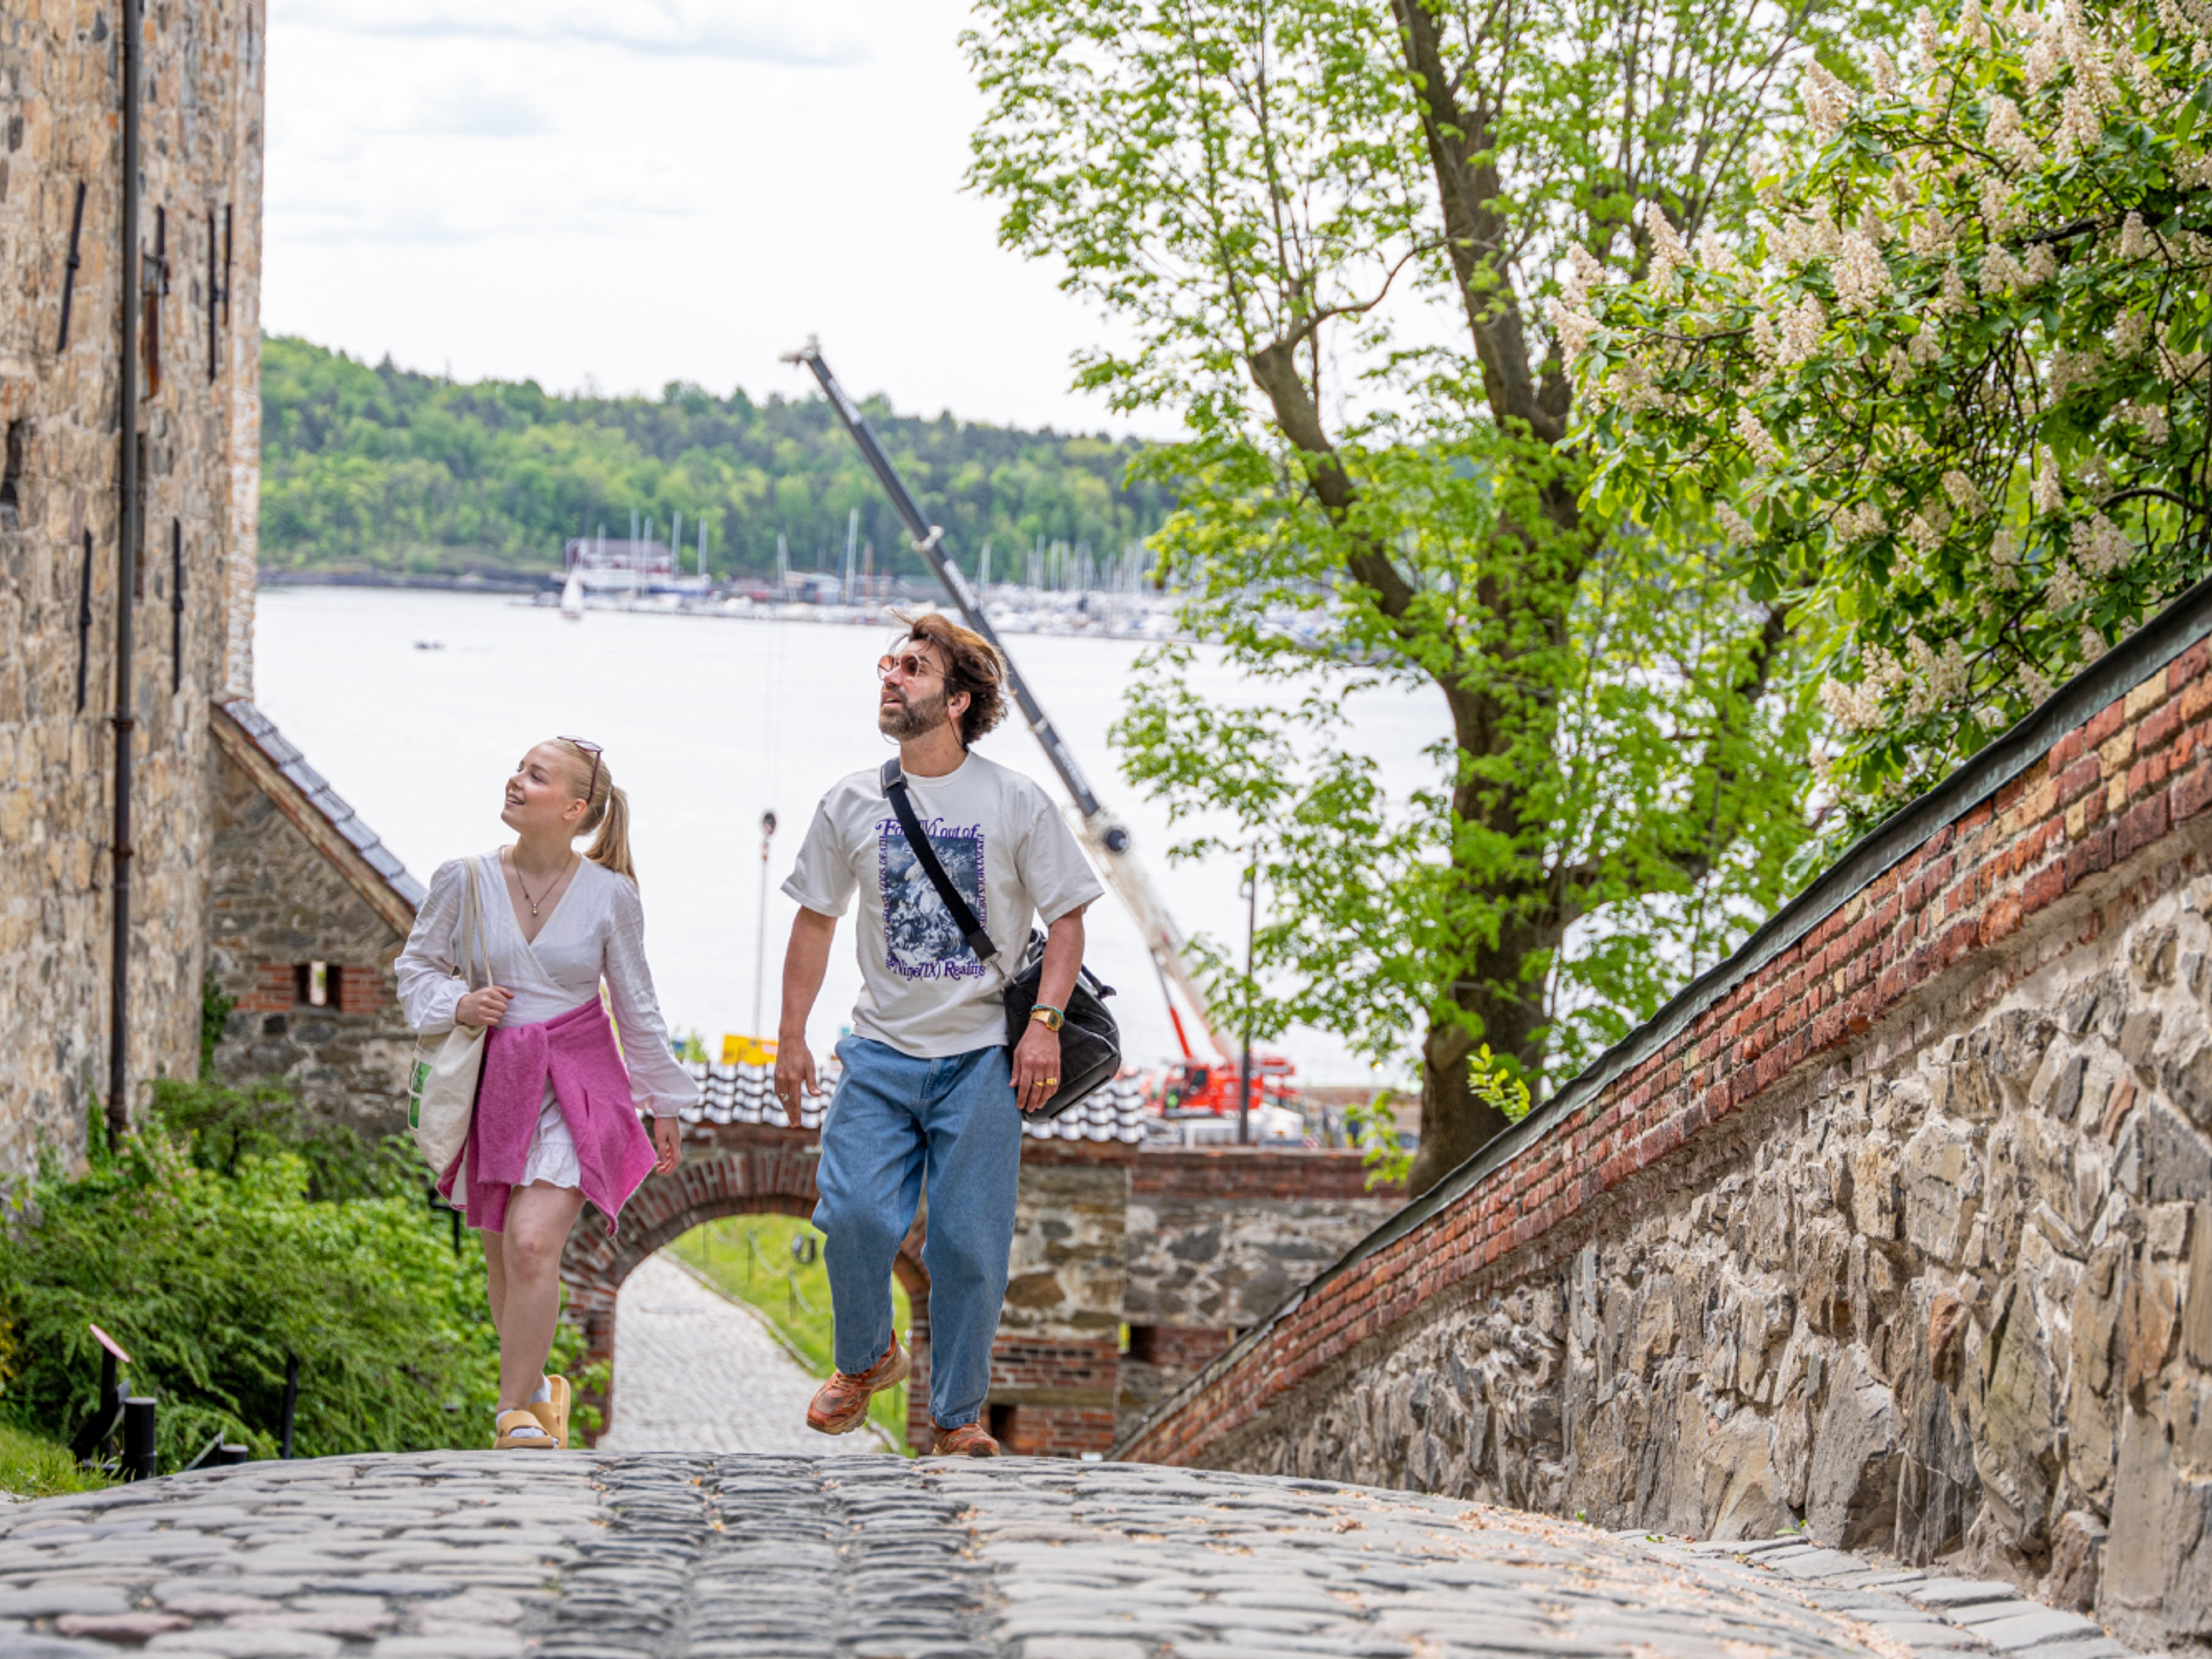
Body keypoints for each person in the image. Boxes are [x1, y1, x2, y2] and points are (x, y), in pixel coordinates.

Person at [775, 613, 1102, 1456]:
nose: (891, 678)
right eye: (888, 665)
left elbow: (1066, 920)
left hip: (983, 1063)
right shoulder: (849, 801)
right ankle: (867, 1359)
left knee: (968, 1248)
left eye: (913, 669)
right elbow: (814, 923)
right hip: (879, 1054)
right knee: (851, 1216)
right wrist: (791, 1036)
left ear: (957, 700)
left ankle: (956, 1421)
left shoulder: (1014, 800)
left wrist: (1044, 1028)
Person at [396, 737, 695, 1450]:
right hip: (499, 1084)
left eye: (536, 775)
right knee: (504, 1258)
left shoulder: (611, 896)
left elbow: (636, 1004)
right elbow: (417, 969)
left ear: (574, 809)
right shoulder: (461, 879)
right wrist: (458, 1004)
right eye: (518, 768)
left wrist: (664, 1104)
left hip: (578, 1081)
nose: (515, 780)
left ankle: (511, 1415)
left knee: (533, 1245)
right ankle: (537, 1392)